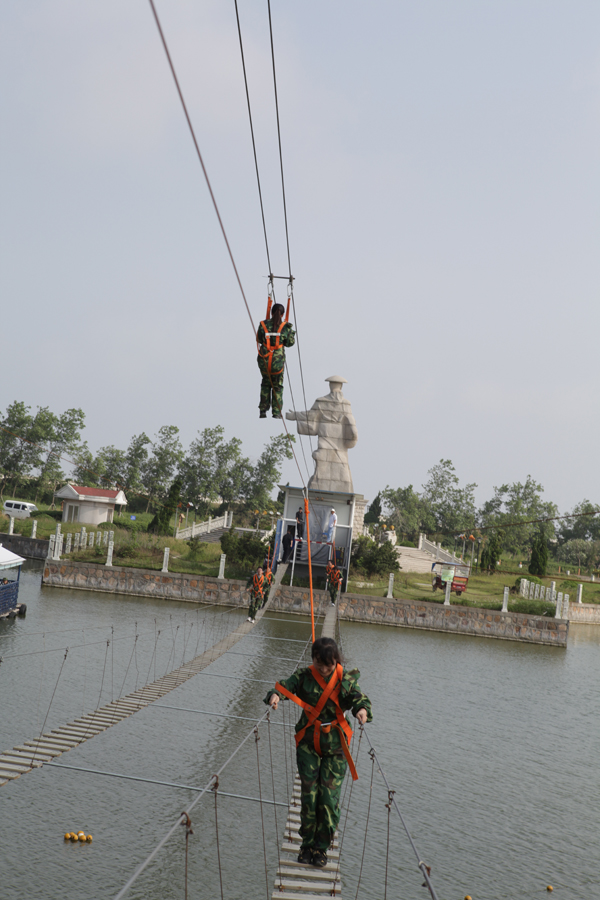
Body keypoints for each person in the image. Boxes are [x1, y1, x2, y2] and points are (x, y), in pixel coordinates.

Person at [266, 637, 372, 868]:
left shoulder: (345, 679)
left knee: (328, 799)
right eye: (319, 664)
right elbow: (285, 686)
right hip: (308, 744)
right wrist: (275, 695)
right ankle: (307, 845)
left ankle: (321, 849)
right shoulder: (304, 676)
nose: (323, 670)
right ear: (313, 659)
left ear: (336, 661)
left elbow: (358, 698)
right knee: (309, 795)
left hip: (336, 747)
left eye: (328, 665)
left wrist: (362, 710)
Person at [256, 302, 295, 419]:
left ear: (271, 313)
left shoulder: (263, 324)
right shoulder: (285, 327)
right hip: (277, 363)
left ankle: (263, 410)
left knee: (266, 382)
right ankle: (276, 412)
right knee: (277, 386)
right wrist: (291, 331)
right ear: (282, 314)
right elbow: (290, 343)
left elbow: (258, 338)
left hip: (264, 360)